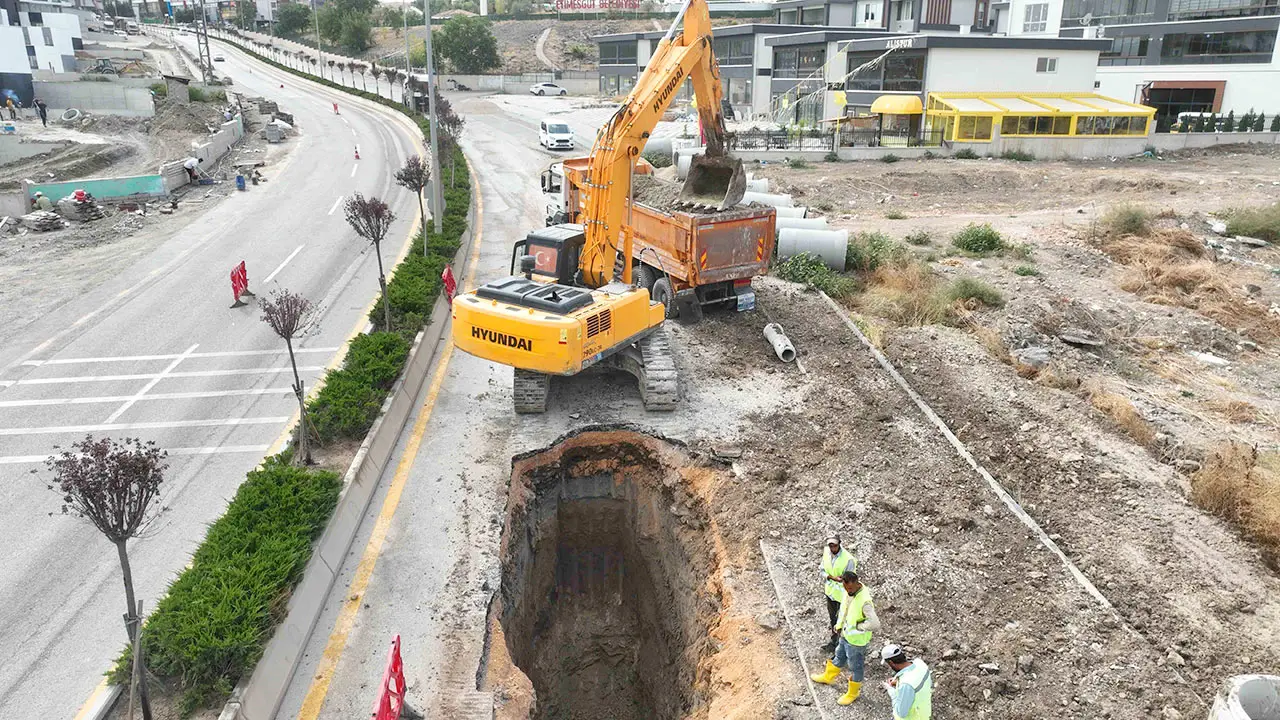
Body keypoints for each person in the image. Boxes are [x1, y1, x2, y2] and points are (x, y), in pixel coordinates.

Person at [811, 571, 880, 706]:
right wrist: (839, 625)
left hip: (856, 642)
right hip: (845, 634)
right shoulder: (848, 592)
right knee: (839, 656)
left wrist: (859, 626)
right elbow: (845, 610)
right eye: (845, 587)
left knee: (855, 667)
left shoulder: (865, 601)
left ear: (856, 583)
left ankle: (853, 693)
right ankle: (828, 676)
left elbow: (875, 624)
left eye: (850, 588)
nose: (848, 590)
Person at [820, 535, 857, 652]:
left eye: (834, 545)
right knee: (833, 619)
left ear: (839, 544)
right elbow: (822, 569)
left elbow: (851, 580)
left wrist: (843, 580)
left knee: (841, 622)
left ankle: (841, 648)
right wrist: (831, 577)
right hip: (830, 593)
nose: (832, 547)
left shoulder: (848, 559)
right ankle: (834, 642)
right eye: (830, 545)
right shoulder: (826, 553)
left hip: (842, 597)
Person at [880, 644, 933, 720]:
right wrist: (899, 681)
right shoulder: (920, 663)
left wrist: (891, 691)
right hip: (924, 711)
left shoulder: (906, 685)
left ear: (891, 662)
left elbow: (901, 713)